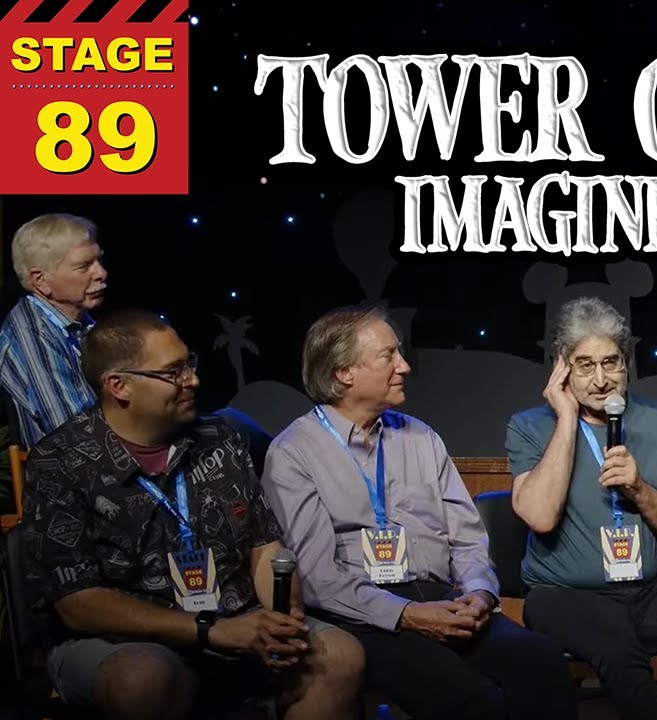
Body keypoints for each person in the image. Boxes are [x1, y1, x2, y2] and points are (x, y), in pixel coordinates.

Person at [21, 309, 363, 720]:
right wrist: (211, 631)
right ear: (119, 386)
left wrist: (281, 619)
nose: (193, 380)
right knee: (142, 678)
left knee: (339, 655)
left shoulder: (221, 439)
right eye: (173, 372)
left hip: (235, 617)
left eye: (189, 364)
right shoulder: (59, 462)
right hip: (123, 640)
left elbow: (265, 547)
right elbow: (79, 604)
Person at [262, 305, 575, 720]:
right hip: (363, 616)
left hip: (443, 599)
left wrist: (479, 594)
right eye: (388, 355)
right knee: (470, 697)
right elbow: (319, 578)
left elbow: (467, 536)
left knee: (542, 661)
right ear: (344, 372)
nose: (404, 366)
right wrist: (407, 615)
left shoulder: (421, 437)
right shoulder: (293, 453)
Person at [505, 296, 657, 720]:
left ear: (626, 362)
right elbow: (539, 516)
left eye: (610, 363)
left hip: (648, 591)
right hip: (563, 596)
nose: (600, 380)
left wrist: (639, 489)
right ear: (562, 367)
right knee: (616, 642)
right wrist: (566, 419)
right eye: (584, 365)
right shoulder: (529, 426)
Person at [0, 213, 107, 448]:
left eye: (99, 260)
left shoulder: (81, 323)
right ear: (40, 280)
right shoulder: (31, 335)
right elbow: (76, 438)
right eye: (84, 266)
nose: (101, 273)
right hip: (79, 466)